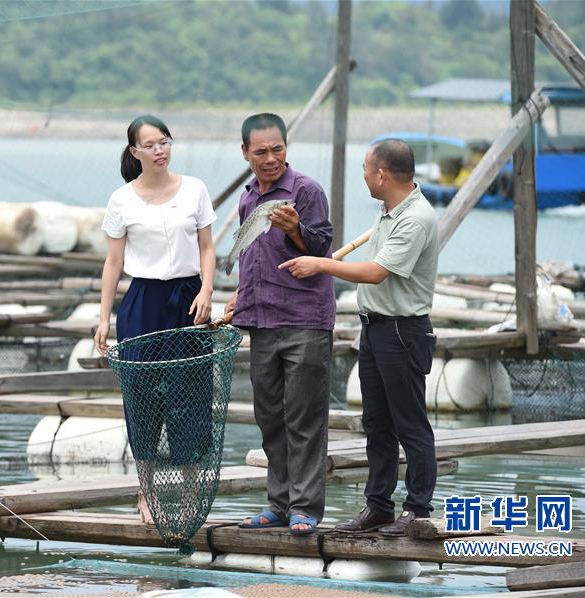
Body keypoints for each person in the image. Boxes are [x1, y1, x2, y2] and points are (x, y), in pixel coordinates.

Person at [279, 138, 438, 537]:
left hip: (403, 331)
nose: (364, 176)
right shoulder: (389, 212)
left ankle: (417, 510)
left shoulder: (416, 218)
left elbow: (376, 272)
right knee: (377, 423)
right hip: (375, 328)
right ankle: (379, 507)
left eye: (366, 169)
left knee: (410, 424)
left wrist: (321, 264)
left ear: (381, 175)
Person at [94, 115, 216, 523]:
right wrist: (103, 318)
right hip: (141, 302)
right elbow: (113, 263)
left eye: (164, 142)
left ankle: (188, 497)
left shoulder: (195, 189)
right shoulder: (121, 200)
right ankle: (145, 494)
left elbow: (207, 247)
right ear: (135, 152)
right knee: (142, 398)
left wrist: (206, 290)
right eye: (150, 145)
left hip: (188, 298)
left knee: (192, 396)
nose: (159, 150)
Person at [226, 113, 334, 536]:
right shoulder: (248, 196)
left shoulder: (306, 191)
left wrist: (297, 231)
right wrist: (239, 297)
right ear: (246, 154)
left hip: (304, 319)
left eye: (277, 149)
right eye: (261, 151)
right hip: (260, 319)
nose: (270, 158)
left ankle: (305, 508)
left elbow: (322, 247)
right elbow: (252, 256)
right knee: (270, 416)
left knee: (304, 418)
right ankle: (279, 503)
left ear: (286, 148)